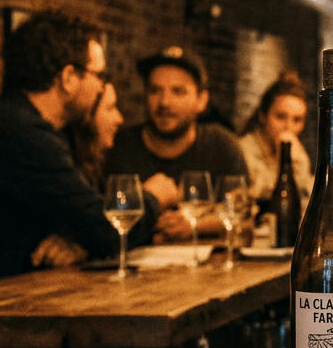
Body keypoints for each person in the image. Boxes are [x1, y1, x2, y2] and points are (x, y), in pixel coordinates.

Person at [0, 11, 174, 298]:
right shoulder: (18, 133)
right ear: (69, 78)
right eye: (100, 75)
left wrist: (77, 239)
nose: (101, 87)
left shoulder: (22, 123)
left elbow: (82, 218)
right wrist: (154, 196)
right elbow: (106, 229)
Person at [104, 46, 248, 240]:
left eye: (178, 92)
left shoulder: (221, 144)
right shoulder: (119, 146)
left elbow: (246, 219)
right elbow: (98, 219)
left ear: (201, 100)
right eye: (155, 90)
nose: (164, 102)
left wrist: (194, 225)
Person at [239, 71, 314, 205]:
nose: (288, 127)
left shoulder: (298, 154)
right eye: (280, 117)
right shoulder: (243, 150)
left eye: (297, 120)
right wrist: (283, 160)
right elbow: (258, 198)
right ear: (262, 115)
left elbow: (302, 199)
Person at [68, 82, 125, 189]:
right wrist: (149, 196)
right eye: (110, 108)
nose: (120, 119)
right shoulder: (68, 171)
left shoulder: (92, 168)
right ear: (87, 117)